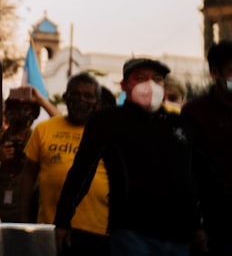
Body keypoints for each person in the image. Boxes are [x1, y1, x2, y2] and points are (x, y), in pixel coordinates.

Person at [54, 57, 205, 256]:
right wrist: (63, 220)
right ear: (125, 85)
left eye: (157, 79)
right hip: (132, 234)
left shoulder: (179, 124)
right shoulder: (108, 121)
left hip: (178, 236)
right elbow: (82, 171)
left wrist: (199, 225)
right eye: (141, 78)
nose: (150, 85)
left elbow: (194, 177)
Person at [21, 72, 109, 256]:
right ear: (65, 97)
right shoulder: (44, 129)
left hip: (97, 231)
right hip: (52, 228)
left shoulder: (107, 134)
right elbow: (28, 174)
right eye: (75, 94)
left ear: (98, 102)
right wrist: (23, 217)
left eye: (88, 96)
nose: (81, 100)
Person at [182, 40, 232, 256]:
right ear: (214, 73)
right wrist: (197, 224)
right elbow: (187, 172)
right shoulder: (195, 113)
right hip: (213, 226)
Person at [0, 85, 55, 222]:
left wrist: (40, 100)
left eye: (25, 109)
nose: (19, 113)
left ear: (33, 113)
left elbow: (61, 125)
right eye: (14, 108)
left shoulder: (37, 139)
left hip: (28, 211)